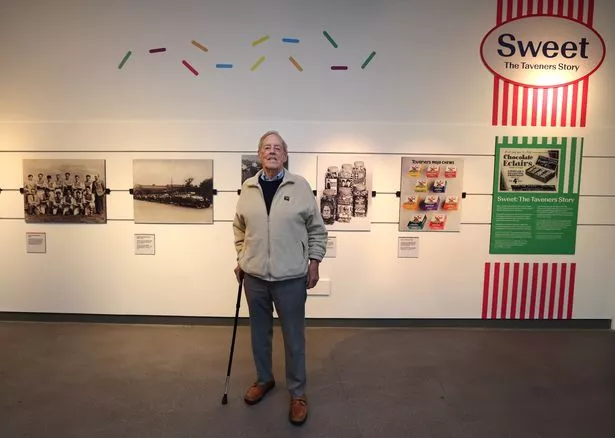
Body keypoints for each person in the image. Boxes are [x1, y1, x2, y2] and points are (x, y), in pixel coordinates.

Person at [232, 130, 327, 426]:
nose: (271, 152)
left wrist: (314, 261)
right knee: (259, 335)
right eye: (266, 148)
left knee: (294, 338)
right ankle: (264, 379)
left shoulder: (300, 186)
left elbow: (316, 230)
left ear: (285, 154)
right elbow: (239, 228)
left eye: (277, 148)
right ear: (260, 154)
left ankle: (298, 393)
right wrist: (242, 257)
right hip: (255, 278)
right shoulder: (248, 188)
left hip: (290, 278)